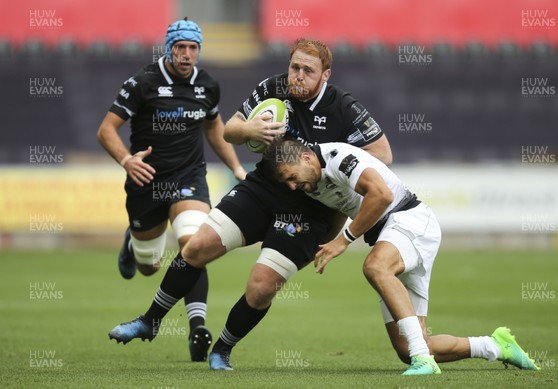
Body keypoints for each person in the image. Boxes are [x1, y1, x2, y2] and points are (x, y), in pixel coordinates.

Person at [108, 38, 392, 370]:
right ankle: (151, 321)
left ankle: (222, 349)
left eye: (308, 71)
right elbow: (229, 130)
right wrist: (249, 128)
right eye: (294, 67)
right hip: (263, 189)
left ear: (325, 75)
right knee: (198, 245)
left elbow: (383, 154)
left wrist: (324, 159)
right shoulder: (273, 88)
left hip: (311, 210)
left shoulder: (343, 107)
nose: (298, 76)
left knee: (261, 287)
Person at [261, 138, 540, 375]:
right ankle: (496, 346)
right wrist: (327, 244)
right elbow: (340, 208)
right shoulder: (312, 182)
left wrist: (343, 241)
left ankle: (424, 361)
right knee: (408, 348)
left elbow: (381, 196)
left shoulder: (339, 158)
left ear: (307, 158)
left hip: (409, 219)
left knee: (375, 267)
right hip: (391, 236)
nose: (292, 186)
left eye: (291, 177)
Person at [98, 18, 246, 362]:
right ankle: (132, 243)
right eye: (180, 47)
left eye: (193, 48)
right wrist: (126, 160)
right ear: (169, 48)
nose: (186, 54)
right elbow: (106, 130)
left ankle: (197, 328)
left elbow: (214, 129)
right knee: (149, 266)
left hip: (188, 177)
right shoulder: (142, 83)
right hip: (145, 182)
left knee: (194, 245)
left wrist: (237, 167)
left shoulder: (207, 85)